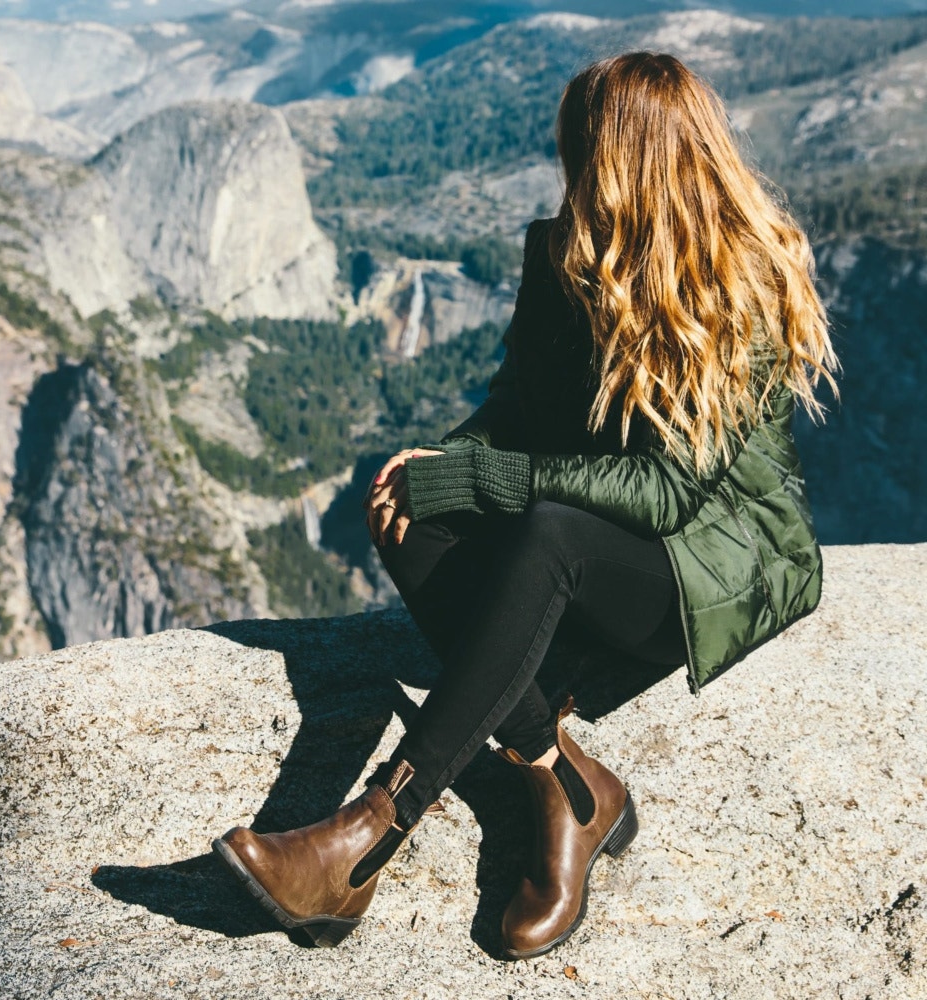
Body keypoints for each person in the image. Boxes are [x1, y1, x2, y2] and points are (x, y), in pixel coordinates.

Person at [213, 51, 837, 959]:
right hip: (590, 525)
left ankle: (367, 836)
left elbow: (669, 491)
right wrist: (446, 463)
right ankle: (567, 784)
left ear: (624, 159)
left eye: (580, 151)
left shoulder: (741, 279)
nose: (566, 170)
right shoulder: (563, 249)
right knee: (407, 505)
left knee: (546, 538)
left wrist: (488, 482)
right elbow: (516, 407)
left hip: (706, 562)